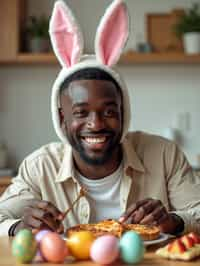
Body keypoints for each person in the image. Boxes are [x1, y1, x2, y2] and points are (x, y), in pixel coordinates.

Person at [0, 0, 200, 237]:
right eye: (81, 113)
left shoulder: (164, 155)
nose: (95, 124)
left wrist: (173, 221)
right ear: (61, 118)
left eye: (108, 112)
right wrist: (19, 226)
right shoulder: (40, 167)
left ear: (123, 113)